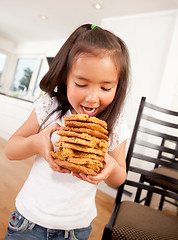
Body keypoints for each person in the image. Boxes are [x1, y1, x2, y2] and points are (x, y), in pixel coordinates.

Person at [4, 24, 130, 240]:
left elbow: (118, 178)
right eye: (81, 84)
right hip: (27, 222)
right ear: (64, 77)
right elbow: (11, 150)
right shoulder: (49, 107)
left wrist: (110, 167)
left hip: (76, 230)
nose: (92, 98)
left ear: (118, 87)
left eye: (105, 88)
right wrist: (36, 143)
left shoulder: (115, 125)